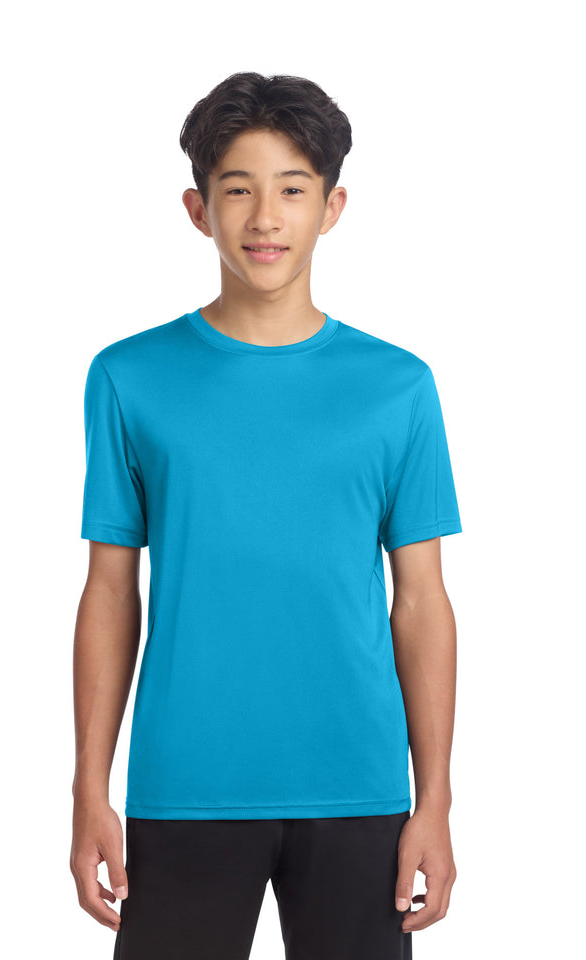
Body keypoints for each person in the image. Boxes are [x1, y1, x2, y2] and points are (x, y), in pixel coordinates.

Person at [70, 72, 462, 960]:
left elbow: (421, 602)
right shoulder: (128, 377)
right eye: (238, 189)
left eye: (292, 190)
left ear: (332, 208)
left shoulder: (398, 387)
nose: (265, 218)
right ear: (198, 209)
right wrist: (89, 787)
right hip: (186, 785)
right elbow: (109, 590)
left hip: (359, 787)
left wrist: (435, 797)